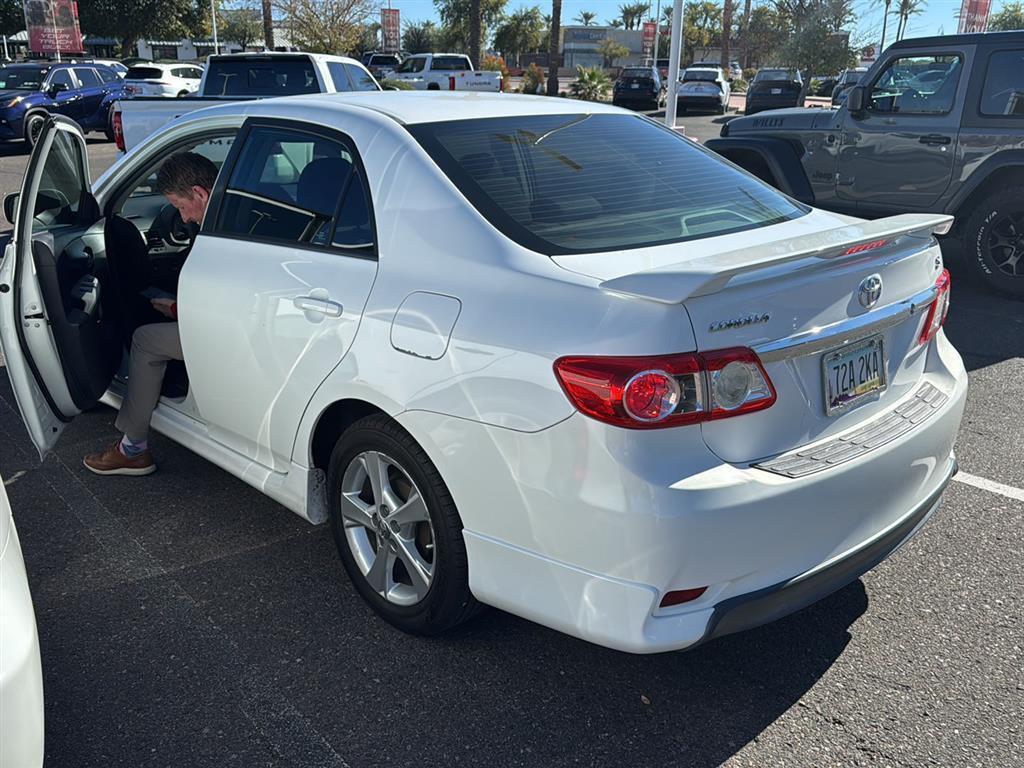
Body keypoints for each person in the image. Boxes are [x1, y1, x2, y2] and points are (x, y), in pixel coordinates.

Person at [83, 151, 217, 476]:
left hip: (227, 336)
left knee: (145, 340)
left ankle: (133, 449)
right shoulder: (244, 210)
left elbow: (220, 308)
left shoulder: (221, 231)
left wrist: (174, 308)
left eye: (181, 207)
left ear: (199, 193)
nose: (183, 218)